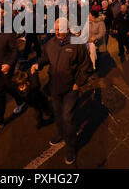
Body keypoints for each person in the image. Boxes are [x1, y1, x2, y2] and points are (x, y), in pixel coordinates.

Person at [31, 18, 92, 165]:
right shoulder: (50, 43)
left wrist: (78, 83)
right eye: (56, 29)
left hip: (71, 88)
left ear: (68, 29)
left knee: (67, 118)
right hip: (55, 87)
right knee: (58, 114)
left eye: (61, 29)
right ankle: (60, 134)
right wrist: (37, 65)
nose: (58, 32)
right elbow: (45, 58)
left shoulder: (77, 43)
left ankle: (70, 147)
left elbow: (86, 65)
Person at [0, 13, 26, 135]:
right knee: (9, 86)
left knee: (0, 93)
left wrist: (9, 64)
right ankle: (21, 100)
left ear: (2, 20)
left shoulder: (9, 33)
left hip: (7, 68)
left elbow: (15, 51)